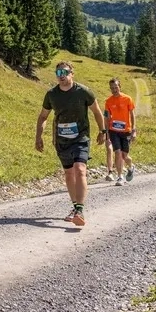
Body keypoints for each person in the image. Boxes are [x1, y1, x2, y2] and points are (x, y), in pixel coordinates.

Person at [36, 61, 106, 227]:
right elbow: (43, 116)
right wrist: (38, 137)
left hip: (81, 138)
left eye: (65, 72)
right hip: (61, 140)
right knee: (68, 174)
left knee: (80, 169)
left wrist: (103, 131)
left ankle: (80, 210)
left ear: (72, 73)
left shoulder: (83, 92)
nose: (62, 76)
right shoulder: (51, 94)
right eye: (58, 73)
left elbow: (96, 111)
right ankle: (75, 207)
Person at [103, 78, 136, 185]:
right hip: (114, 130)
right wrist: (106, 132)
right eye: (112, 88)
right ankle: (120, 177)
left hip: (126, 131)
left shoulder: (127, 99)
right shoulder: (108, 101)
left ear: (119, 87)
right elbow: (106, 117)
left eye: (116, 87)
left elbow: (132, 115)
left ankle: (131, 166)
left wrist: (134, 130)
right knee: (117, 152)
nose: (114, 90)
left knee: (124, 156)